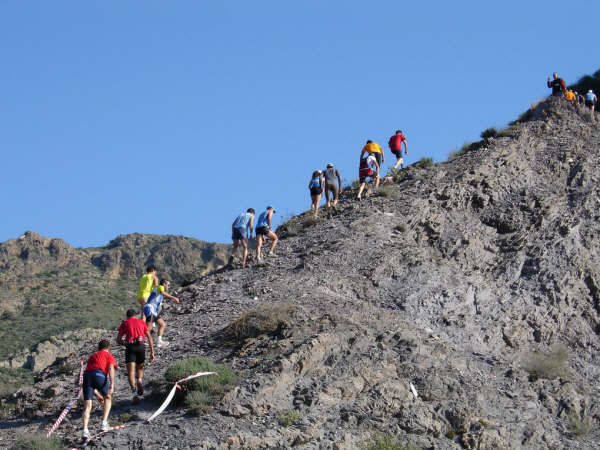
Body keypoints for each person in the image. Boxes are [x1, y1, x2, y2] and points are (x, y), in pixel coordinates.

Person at [116, 309, 155, 404]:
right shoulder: (141, 322)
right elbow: (149, 337)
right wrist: (152, 353)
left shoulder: (125, 323)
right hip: (141, 346)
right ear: (135, 315)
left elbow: (118, 339)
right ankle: (140, 380)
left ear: (127, 316)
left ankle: (134, 395)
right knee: (140, 369)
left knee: (131, 372)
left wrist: (124, 343)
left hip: (130, 347)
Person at [82, 339, 117, 439]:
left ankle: (85, 430)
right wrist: (112, 384)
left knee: (87, 406)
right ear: (108, 348)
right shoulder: (108, 355)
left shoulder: (92, 356)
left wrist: (96, 394)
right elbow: (111, 368)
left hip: (87, 377)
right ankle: (104, 424)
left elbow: (89, 373)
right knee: (108, 397)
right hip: (99, 374)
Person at [143, 280, 180, 347]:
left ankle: (159, 341)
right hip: (149, 308)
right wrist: (174, 298)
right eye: (168, 285)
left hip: (154, 311)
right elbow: (163, 293)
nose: (169, 287)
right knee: (149, 327)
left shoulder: (159, 290)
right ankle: (141, 340)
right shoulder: (160, 287)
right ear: (163, 284)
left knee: (162, 324)